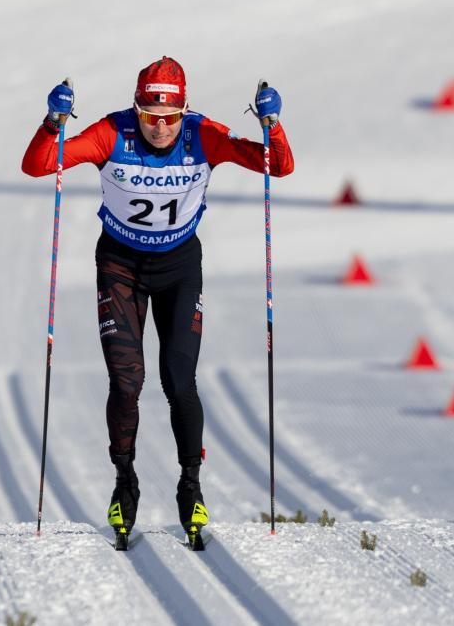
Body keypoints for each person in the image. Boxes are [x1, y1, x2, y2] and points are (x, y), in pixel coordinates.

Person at [21, 58, 294, 549]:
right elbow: (39, 164)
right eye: (150, 117)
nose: (161, 128)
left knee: (178, 379)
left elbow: (277, 164)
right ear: (136, 109)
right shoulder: (111, 133)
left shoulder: (202, 134)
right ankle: (125, 480)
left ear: (184, 111)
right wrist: (52, 124)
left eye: (169, 118)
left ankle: (190, 485)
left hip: (179, 269)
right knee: (127, 382)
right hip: (121, 266)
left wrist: (271, 126)